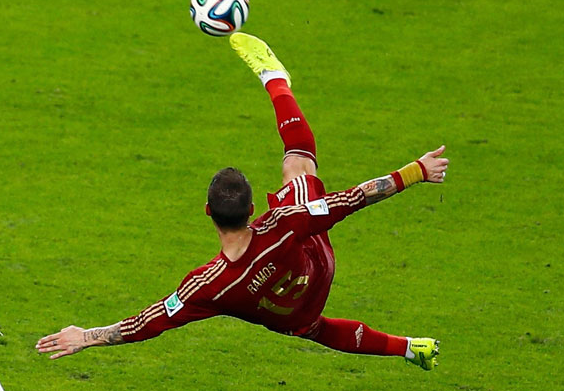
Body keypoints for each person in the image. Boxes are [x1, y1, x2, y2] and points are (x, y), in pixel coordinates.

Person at [37, 32, 448, 370]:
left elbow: (150, 321)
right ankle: (274, 79)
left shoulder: (208, 285)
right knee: (299, 166)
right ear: (254, 209)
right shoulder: (285, 221)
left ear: (207, 213)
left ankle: (411, 348)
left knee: (315, 329)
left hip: (292, 318)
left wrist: (86, 337)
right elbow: (356, 197)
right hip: (317, 268)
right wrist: (417, 170)